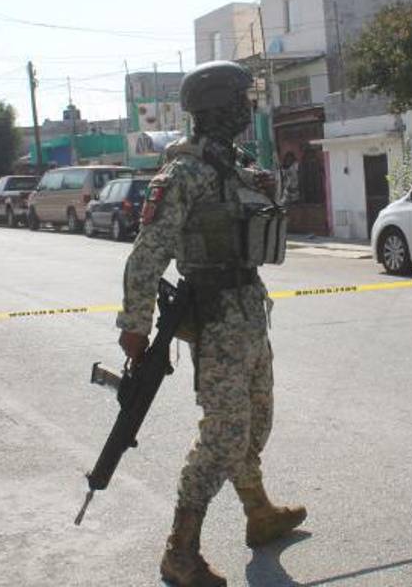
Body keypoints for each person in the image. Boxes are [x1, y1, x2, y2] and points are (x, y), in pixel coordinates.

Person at [116, 61, 306, 587]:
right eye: (240, 100)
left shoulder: (236, 164)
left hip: (249, 308)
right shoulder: (182, 174)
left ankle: (259, 512)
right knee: (224, 434)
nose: (247, 108)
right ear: (217, 107)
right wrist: (135, 324)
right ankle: (180, 550)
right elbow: (147, 253)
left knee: (258, 418)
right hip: (216, 316)